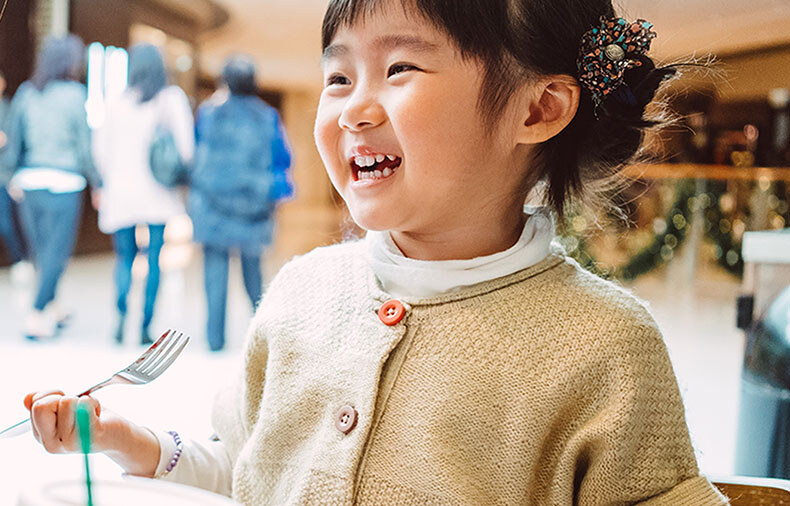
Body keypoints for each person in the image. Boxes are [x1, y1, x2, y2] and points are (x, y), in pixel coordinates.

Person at [21, 1, 730, 504]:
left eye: (399, 69)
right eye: (338, 76)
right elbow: (249, 465)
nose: (353, 109)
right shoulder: (301, 293)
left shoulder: (605, 349)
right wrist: (136, 442)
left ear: (537, 109)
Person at [92, 43, 194, 345]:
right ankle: (146, 325)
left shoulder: (116, 103)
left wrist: (109, 181)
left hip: (120, 193)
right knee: (154, 260)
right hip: (158, 193)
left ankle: (121, 318)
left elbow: (100, 151)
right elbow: (186, 149)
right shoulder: (170, 99)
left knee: (124, 258)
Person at [1, 35, 101, 341]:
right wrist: (98, 182)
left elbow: (14, 141)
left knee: (42, 253)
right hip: (65, 183)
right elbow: (85, 147)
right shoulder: (75, 94)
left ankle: (54, 306)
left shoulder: (27, 93)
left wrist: (9, 178)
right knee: (56, 254)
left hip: (29, 183)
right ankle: (36, 314)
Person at [189, 55, 293, 352]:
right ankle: (258, 339)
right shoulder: (267, 117)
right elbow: (282, 159)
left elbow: (195, 156)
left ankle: (215, 340)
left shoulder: (210, 114)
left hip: (213, 206)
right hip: (253, 208)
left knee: (215, 273)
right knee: (253, 274)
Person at [0, 70, 31, 282]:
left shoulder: (9, 109)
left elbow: (14, 142)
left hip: (4, 174)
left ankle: (20, 260)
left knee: (6, 222)